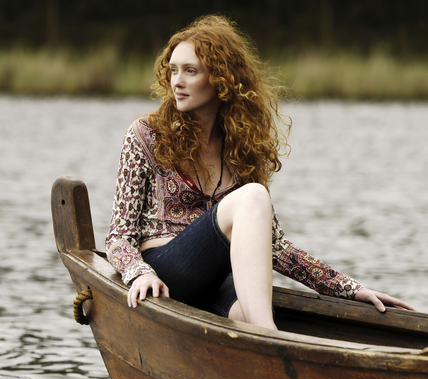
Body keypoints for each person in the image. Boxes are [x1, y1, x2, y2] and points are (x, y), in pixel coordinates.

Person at [106, 15, 414, 330]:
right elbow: (118, 237)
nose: (177, 81)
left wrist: (351, 288)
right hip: (165, 273)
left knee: (246, 315)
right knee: (254, 195)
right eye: (173, 70)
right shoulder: (147, 134)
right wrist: (138, 272)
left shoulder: (240, 149)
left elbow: (276, 247)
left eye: (190, 71)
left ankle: (264, 337)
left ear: (221, 78)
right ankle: (272, 340)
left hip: (218, 280)